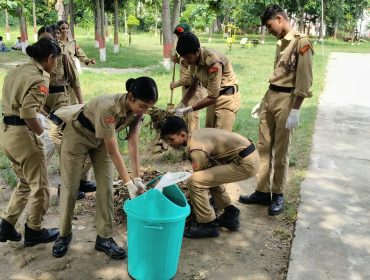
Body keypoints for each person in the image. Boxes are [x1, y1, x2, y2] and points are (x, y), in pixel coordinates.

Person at [52, 77, 159, 259]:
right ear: (131, 97)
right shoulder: (107, 108)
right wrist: (128, 183)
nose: (145, 111)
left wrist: (137, 177)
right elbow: (114, 151)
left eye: (149, 107)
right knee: (70, 188)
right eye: (143, 106)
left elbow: (133, 142)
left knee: (106, 188)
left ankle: (104, 238)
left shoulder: (138, 111)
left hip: (102, 139)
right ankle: (64, 235)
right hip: (78, 136)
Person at [239, 4, 314, 216]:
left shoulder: (302, 43)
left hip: (287, 100)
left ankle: (278, 193)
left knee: (281, 150)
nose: (269, 31)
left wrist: (296, 110)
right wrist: (263, 101)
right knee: (263, 147)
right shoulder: (281, 42)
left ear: (280, 18)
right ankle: (262, 191)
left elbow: (304, 80)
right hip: (271, 97)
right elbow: (278, 74)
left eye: (270, 26)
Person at [0, 38, 61, 246]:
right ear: (49, 58)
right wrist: (43, 132)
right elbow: (28, 113)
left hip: (7, 133)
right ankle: (34, 230)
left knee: (25, 182)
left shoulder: (17, 70)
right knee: (41, 185)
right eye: (56, 61)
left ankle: (7, 224)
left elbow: (22, 104)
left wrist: (46, 115)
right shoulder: (40, 78)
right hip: (23, 136)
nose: (56, 65)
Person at [160, 116, 260, 238]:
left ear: (182, 135)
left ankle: (208, 225)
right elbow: (205, 175)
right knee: (205, 177)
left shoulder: (196, 149)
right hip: (248, 156)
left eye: (171, 139)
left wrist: (180, 201)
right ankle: (230, 214)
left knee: (195, 181)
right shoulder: (194, 135)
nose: (170, 144)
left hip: (245, 163)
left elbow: (196, 183)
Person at [42, 24, 95, 197]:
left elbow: (75, 83)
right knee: (46, 144)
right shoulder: (36, 61)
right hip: (42, 105)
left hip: (62, 101)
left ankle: (77, 182)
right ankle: (43, 184)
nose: (51, 40)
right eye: (44, 39)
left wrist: (82, 106)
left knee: (68, 143)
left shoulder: (62, 57)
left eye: (52, 37)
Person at [174, 32, 241, 131]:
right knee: (209, 133)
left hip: (227, 98)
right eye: (184, 58)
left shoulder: (213, 61)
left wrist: (189, 109)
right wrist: (182, 104)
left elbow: (213, 96)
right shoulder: (192, 62)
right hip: (212, 99)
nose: (187, 61)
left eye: (188, 58)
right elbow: (193, 87)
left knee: (221, 138)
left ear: (197, 51)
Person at [170, 23, 206, 133]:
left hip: (194, 89)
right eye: (178, 36)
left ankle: (194, 142)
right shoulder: (184, 52)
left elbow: (189, 77)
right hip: (186, 90)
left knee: (192, 117)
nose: (180, 38)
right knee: (185, 116)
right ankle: (187, 142)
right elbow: (185, 67)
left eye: (182, 35)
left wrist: (175, 84)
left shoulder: (193, 51)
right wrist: (178, 60)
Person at [57, 20, 95, 105]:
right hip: (59, 72)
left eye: (67, 28)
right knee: (61, 92)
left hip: (71, 70)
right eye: (62, 28)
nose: (65, 30)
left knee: (74, 90)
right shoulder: (55, 43)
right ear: (58, 30)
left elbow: (80, 54)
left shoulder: (73, 43)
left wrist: (88, 61)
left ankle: (80, 106)